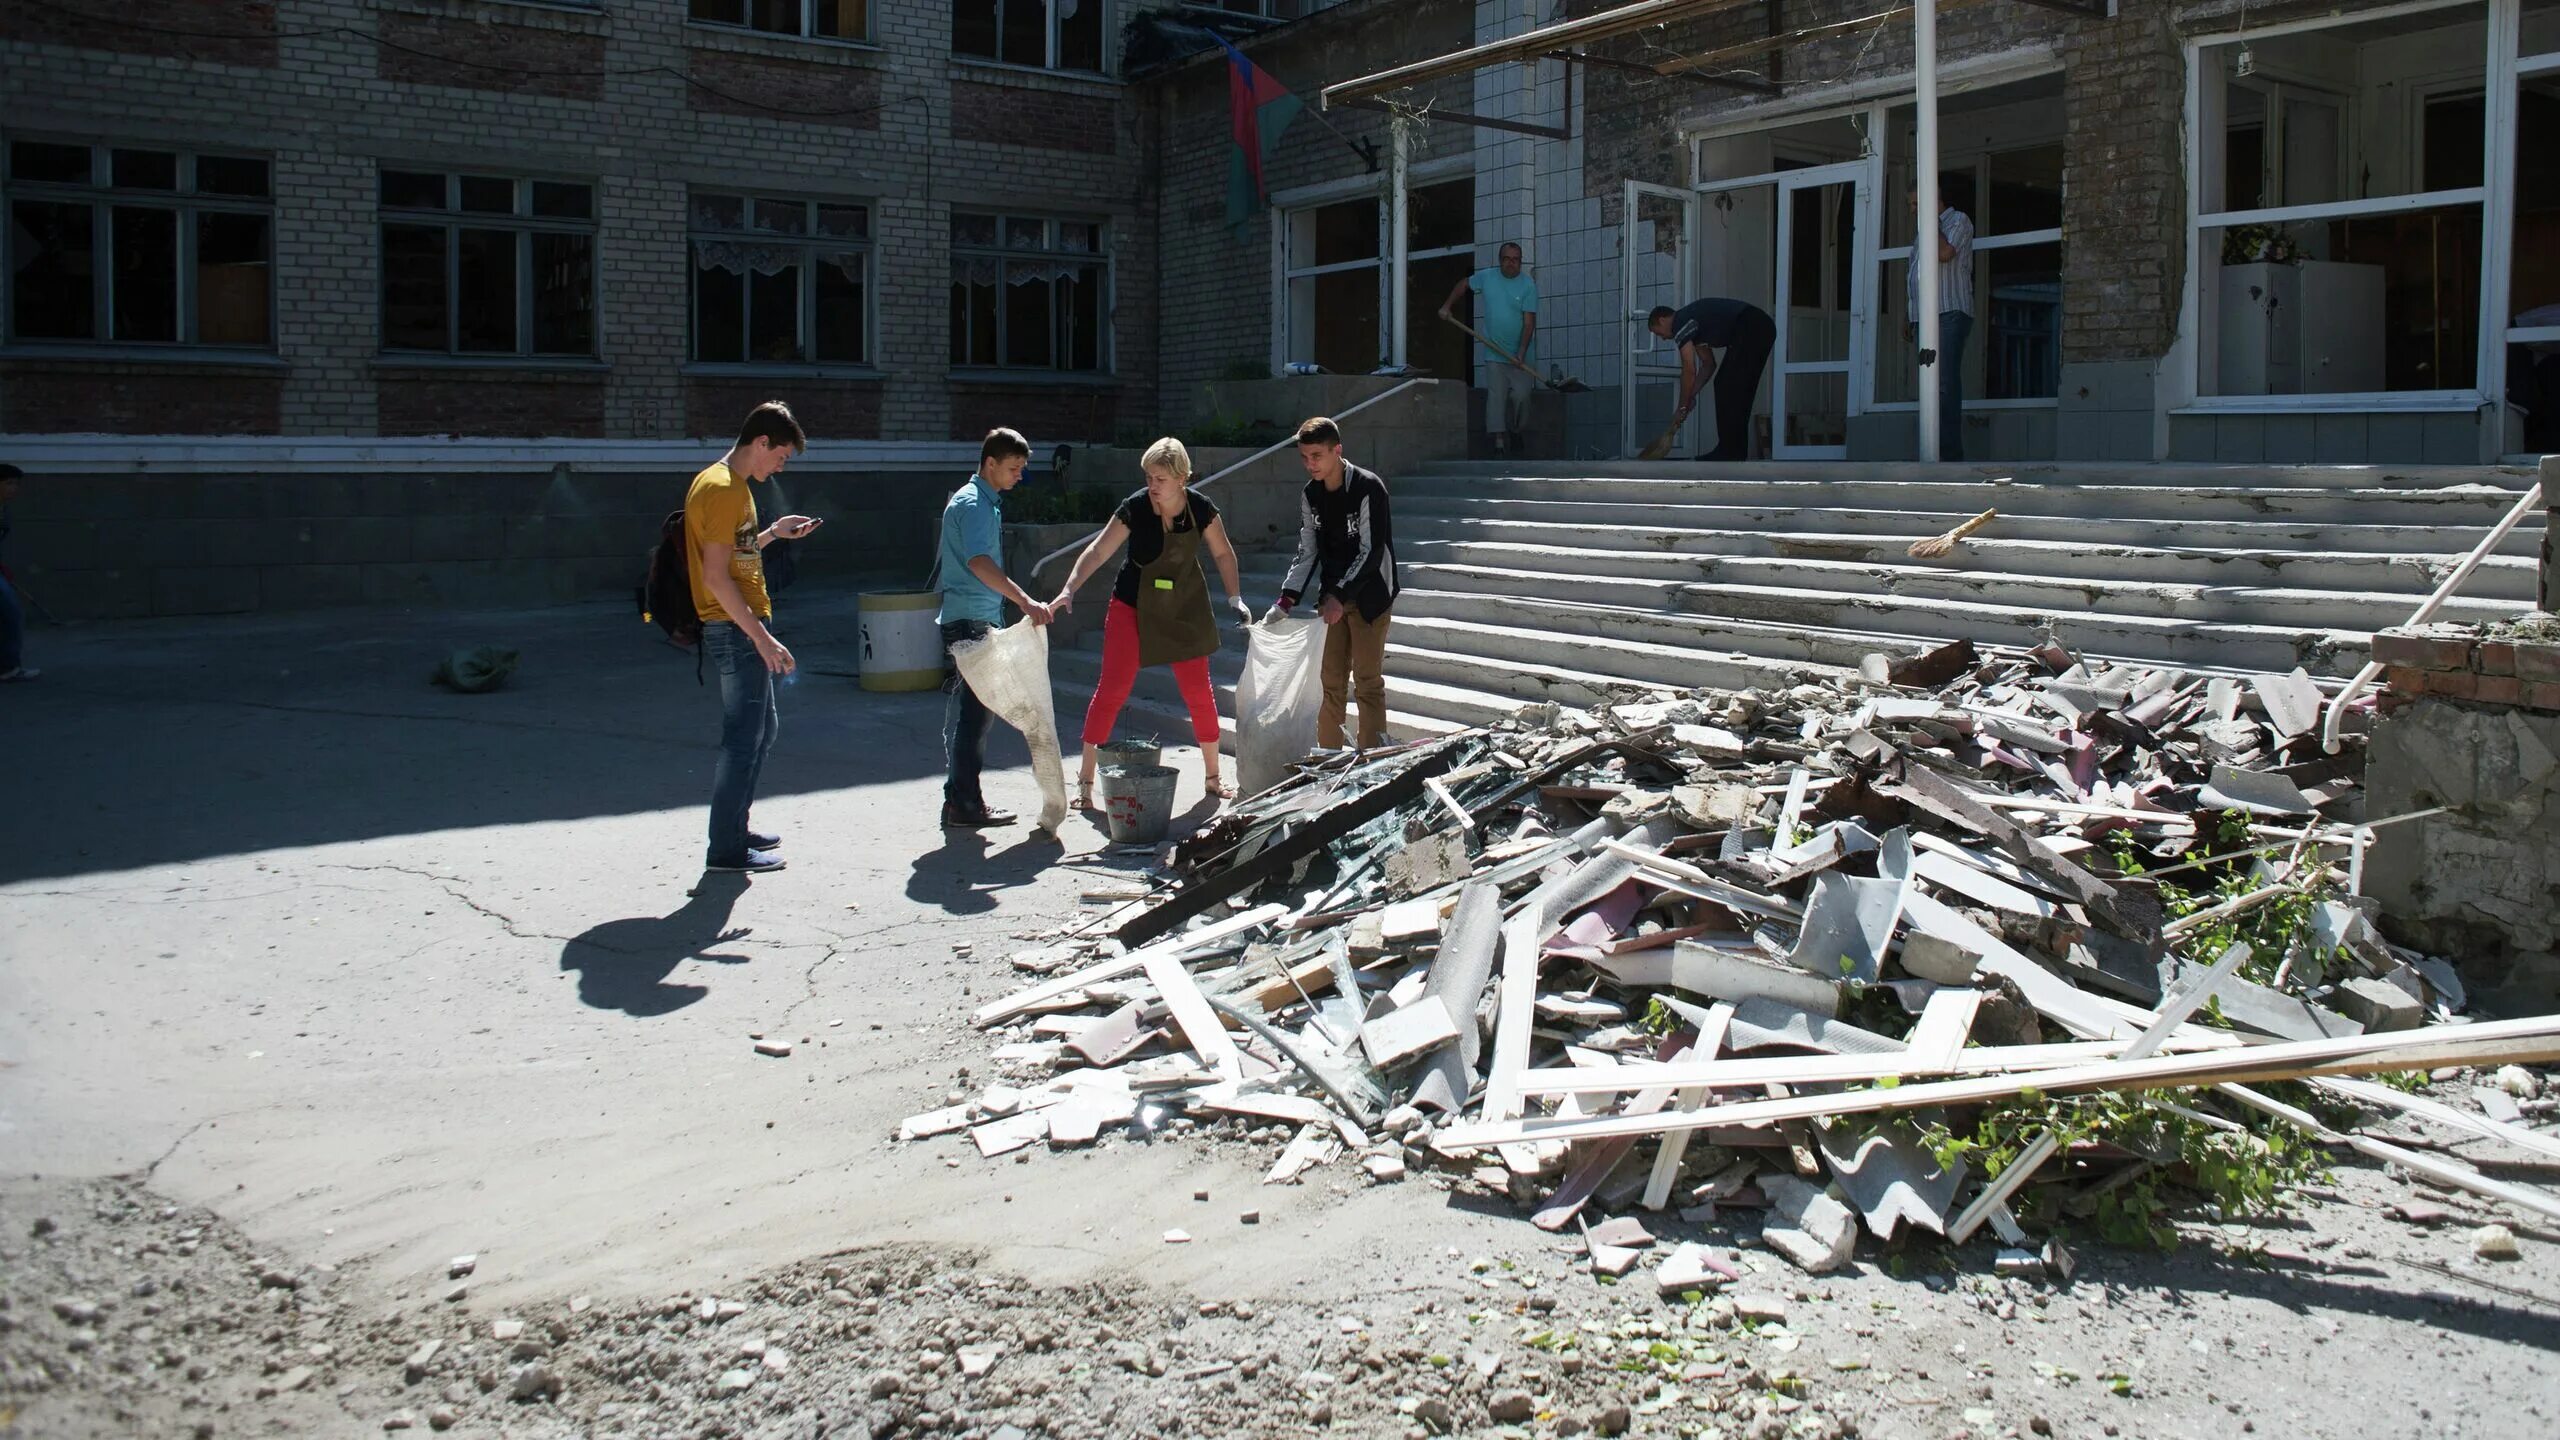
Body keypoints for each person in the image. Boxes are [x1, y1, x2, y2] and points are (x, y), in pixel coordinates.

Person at [1049, 437, 1253, 806]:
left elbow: (1223, 553)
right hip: (1132, 605)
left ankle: (1212, 778)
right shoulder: (1135, 508)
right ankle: (1084, 785)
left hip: (1183, 608)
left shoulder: (1202, 509)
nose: (1152, 485)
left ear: (1182, 478)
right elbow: (1098, 551)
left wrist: (1236, 598)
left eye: (1160, 478)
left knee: (1199, 694)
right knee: (1111, 690)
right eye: (1148, 477)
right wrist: (1069, 588)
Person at [688, 401, 819, 875]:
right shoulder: (723, 488)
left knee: (761, 732)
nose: (781, 466)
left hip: (736, 627)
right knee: (743, 739)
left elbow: (735, 554)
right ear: (761, 442)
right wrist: (760, 637)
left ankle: (735, 830)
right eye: (781, 455)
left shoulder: (728, 484)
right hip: (734, 629)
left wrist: (772, 534)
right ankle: (725, 848)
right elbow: (716, 577)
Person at [937, 426, 1054, 829]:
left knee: (975, 715)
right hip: (970, 619)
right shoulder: (975, 505)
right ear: (990, 464)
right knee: (976, 717)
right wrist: (1024, 600)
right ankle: (965, 804)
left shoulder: (978, 501)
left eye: (1021, 468)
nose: (1018, 476)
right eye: (1013, 468)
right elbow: (979, 563)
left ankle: (959, 799)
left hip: (969, 616)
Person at [1274, 416, 1398, 751]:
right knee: (1330, 683)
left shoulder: (1368, 486)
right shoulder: (1310, 494)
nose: (1309, 464)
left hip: (1371, 595)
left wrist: (1340, 596)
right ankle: (1327, 759)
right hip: (1331, 598)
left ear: (1337, 450)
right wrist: (1286, 599)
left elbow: (1371, 550)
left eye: (1317, 455)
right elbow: (1307, 549)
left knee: (1368, 683)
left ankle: (1371, 759)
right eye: (1304, 457)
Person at [1440, 241, 1539, 457]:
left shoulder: (1528, 285)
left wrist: (1521, 352)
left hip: (1521, 354)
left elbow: (1529, 323)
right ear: (1499, 260)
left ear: (1520, 262)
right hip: (1494, 351)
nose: (1511, 263)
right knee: (1496, 398)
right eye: (1507, 259)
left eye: (1516, 259)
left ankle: (1516, 431)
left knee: (1521, 397)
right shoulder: (1487, 277)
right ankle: (1499, 443)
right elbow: (1463, 284)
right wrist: (1447, 306)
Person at [1648, 299, 1775, 462]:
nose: (1663, 339)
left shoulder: (1680, 323)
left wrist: (1682, 406)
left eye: (1659, 333)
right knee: (1734, 387)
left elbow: (1689, 370)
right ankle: (1734, 452)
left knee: (1727, 386)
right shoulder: (1694, 323)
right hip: (1761, 327)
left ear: (1662, 320)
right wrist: (1691, 396)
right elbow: (1708, 364)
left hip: (1751, 325)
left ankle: (1728, 452)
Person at [1907, 185, 1976, 461]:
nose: (1912, 211)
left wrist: (1929, 222)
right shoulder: (1924, 231)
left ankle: (1948, 455)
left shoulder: (1958, 220)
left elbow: (1945, 253)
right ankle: (1931, 450)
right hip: (1924, 317)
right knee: (1929, 384)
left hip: (1949, 313)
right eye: (1911, 206)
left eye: (1916, 204)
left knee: (1944, 383)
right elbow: (1915, 272)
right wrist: (1908, 314)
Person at [0, 462, 30, 683]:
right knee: (11, 613)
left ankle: (8, 666)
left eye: (16, 484)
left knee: (10, 614)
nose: (13, 488)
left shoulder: (4, 509)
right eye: (8, 483)